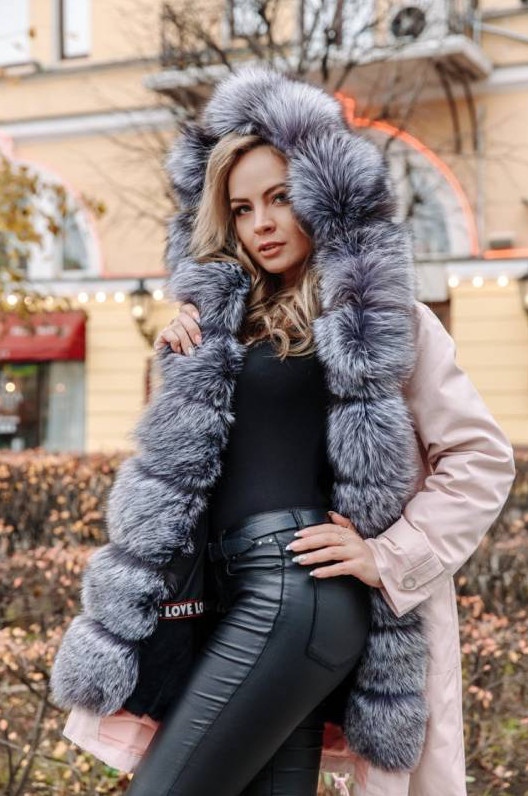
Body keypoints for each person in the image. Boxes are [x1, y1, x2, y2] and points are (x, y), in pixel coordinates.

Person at [50, 65, 516, 796]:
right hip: (236, 597)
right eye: (241, 209)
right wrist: (192, 360)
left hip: (295, 593)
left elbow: (482, 459)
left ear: (322, 196)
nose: (261, 223)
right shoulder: (224, 329)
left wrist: (390, 554)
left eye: (279, 197)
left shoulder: (383, 322)